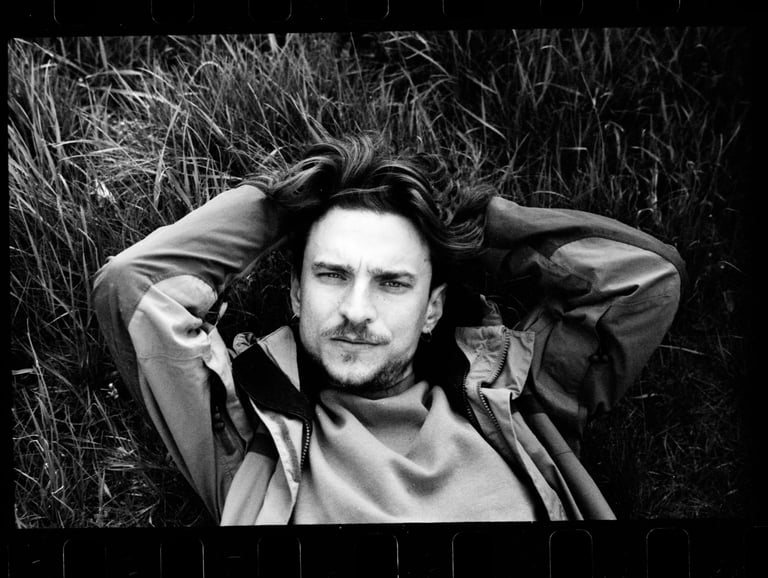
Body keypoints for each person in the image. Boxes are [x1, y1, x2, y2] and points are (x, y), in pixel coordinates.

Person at [92, 135, 685, 524]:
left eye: (393, 283)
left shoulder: (518, 398)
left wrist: (463, 226)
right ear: (296, 293)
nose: (356, 309)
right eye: (331, 274)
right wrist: (292, 202)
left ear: (432, 309)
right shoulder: (242, 439)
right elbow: (135, 285)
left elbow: (642, 278)